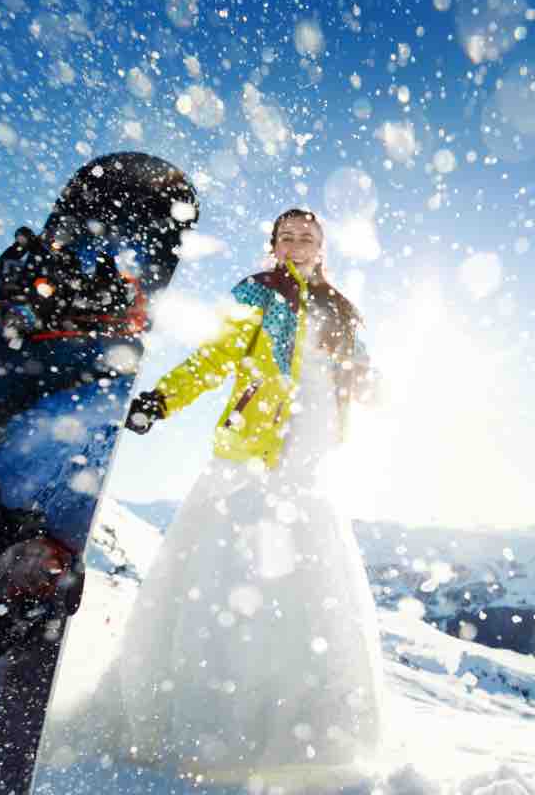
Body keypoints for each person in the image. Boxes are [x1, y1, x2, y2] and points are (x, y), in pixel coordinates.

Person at [97, 209, 383, 787]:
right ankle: (209, 725)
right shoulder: (257, 292)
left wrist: (375, 389)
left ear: (323, 248)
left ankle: (298, 729)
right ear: (273, 245)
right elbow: (216, 356)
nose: (298, 243)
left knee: (304, 581)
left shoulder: (343, 308)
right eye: (288, 236)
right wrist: (162, 399)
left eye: (308, 237)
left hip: (312, 452)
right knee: (229, 575)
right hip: (254, 448)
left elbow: (359, 373)